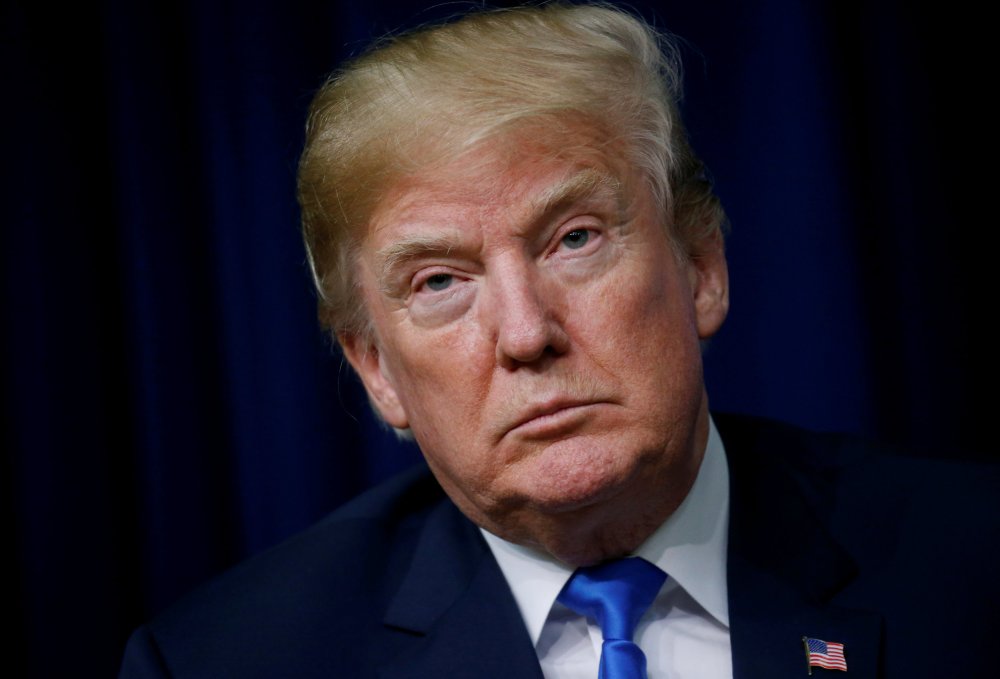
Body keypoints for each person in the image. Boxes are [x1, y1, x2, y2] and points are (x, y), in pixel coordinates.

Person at [118, 3, 997, 678]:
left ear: (700, 267)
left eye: (573, 238)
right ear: (376, 369)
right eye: (439, 282)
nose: (527, 334)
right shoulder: (222, 661)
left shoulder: (972, 563)